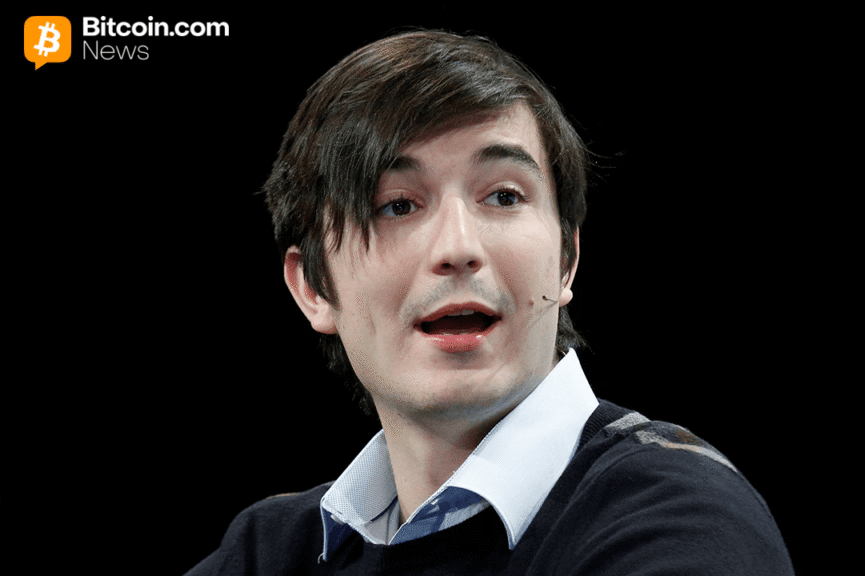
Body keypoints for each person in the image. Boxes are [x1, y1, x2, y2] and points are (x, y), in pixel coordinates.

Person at [185, 29, 794, 575]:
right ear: (314, 289)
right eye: (397, 205)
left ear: (566, 258)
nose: (458, 248)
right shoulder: (271, 551)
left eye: (503, 196)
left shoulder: (679, 520)